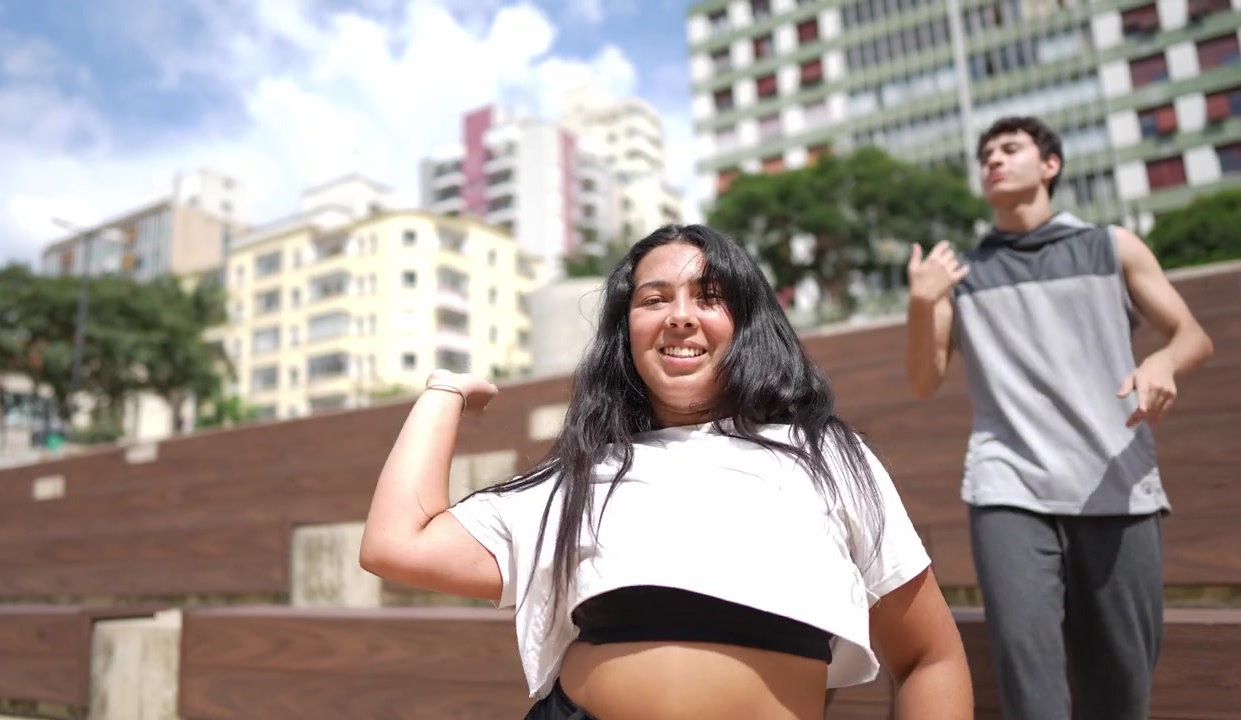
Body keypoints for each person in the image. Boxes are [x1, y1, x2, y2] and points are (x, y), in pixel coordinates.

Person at [360, 224, 973, 719]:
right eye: (654, 300)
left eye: (709, 297)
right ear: (626, 333)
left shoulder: (826, 456)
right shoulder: (580, 477)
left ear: (747, 324)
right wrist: (443, 392)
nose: (680, 316)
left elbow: (929, 659)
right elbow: (396, 544)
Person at [904, 116, 1214, 720]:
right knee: (1028, 683)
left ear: (1050, 165)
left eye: (1010, 148)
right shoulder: (959, 275)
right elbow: (922, 380)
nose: (993, 160)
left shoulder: (1111, 246)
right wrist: (922, 303)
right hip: (1008, 487)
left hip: (1115, 482)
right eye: (986, 154)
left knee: (1122, 685)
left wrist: (1162, 362)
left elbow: (1192, 336)